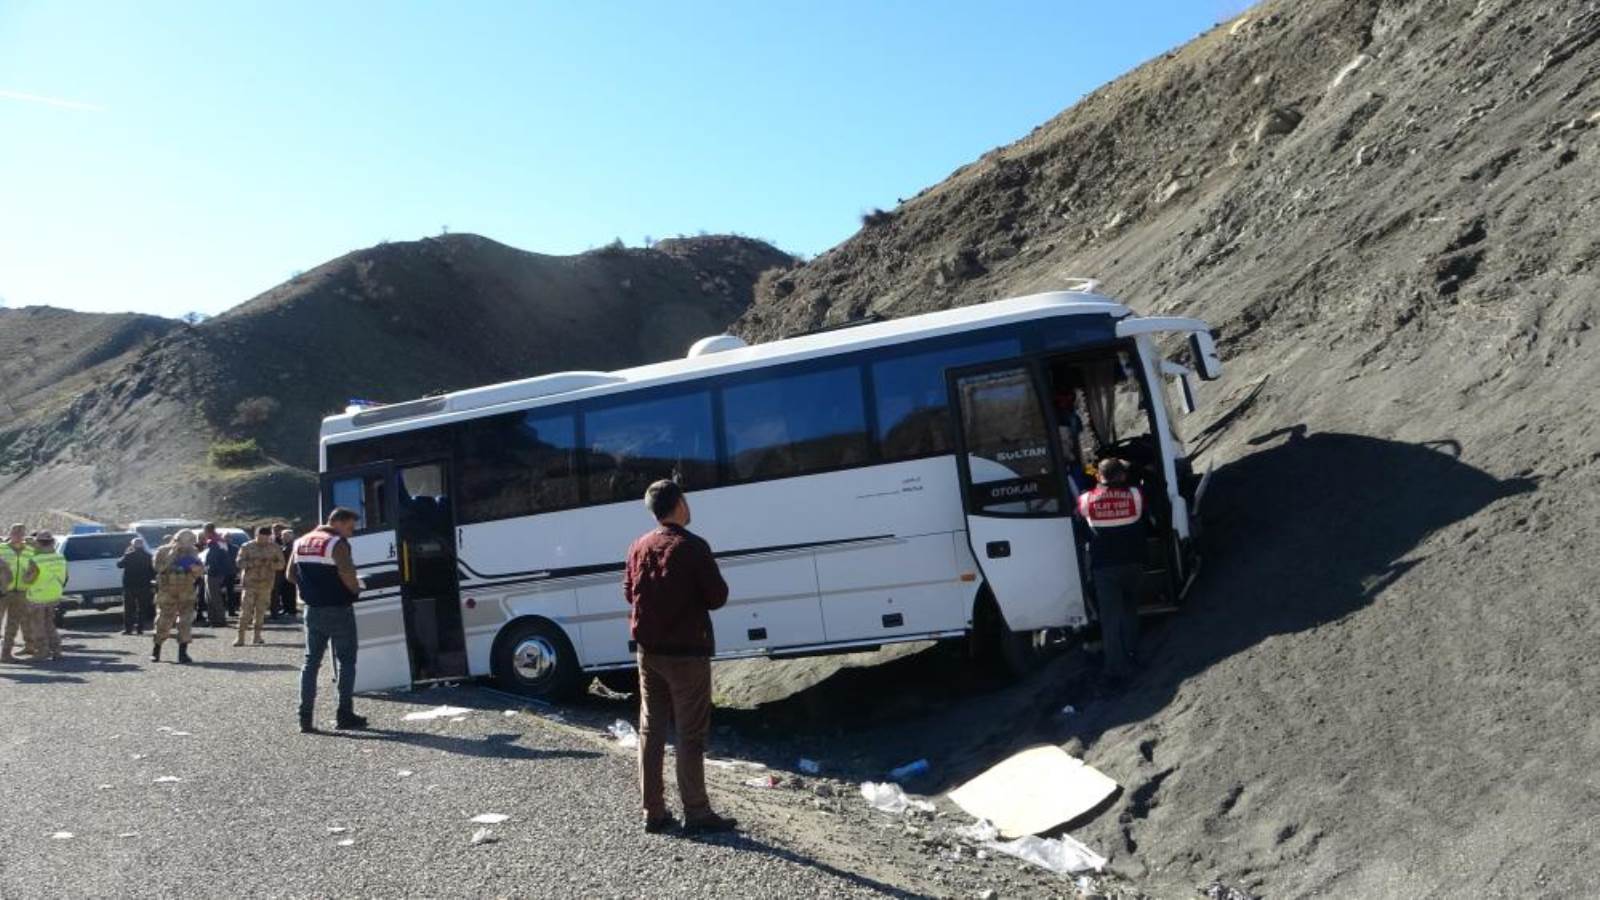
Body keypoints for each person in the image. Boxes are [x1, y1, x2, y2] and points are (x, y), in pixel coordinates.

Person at [623, 479, 737, 835]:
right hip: (687, 654)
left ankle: (652, 810)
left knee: (650, 729)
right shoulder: (694, 547)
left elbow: (629, 592)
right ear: (678, 505)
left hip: (648, 654)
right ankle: (696, 811)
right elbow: (717, 596)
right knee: (690, 734)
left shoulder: (638, 546)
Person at [288, 509, 367, 733]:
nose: (351, 533)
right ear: (338, 523)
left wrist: (310, 588)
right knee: (346, 661)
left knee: (311, 663)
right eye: (350, 527)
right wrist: (355, 591)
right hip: (339, 609)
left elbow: (290, 575)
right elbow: (347, 573)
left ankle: (305, 719)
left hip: (312, 610)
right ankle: (344, 714)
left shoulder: (300, 542)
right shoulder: (336, 543)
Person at [1075, 457, 1149, 682]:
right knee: (1129, 611)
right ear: (1123, 476)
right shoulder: (1136, 495)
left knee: (1110, 618)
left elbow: (1079, 527)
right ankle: (1133, 654)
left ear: (1099, 476)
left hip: (1104, 567)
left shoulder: (1086, 500)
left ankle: (1116, 667)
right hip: (1134, 563)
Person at [152, 530, 205, 664]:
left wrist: (194, 567)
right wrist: (173, 554)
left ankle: (183, 654)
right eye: (185, 541)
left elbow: (200, 571)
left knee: (185, 623)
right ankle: (156, 650)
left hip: (186, 592)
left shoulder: (192, 552)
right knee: (163, 622)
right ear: (177, 540)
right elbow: (158, 568)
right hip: (167, 592)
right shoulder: (163, 551)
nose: (187, 545)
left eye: (190, 542)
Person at [234, 526, 285, 647]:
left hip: (266, 584)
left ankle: (257, 636)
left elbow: (282, 564)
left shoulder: (274, 547)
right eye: (261, 538)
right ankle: (240, 637)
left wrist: (271, 564)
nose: (264, 541)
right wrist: (252, 563)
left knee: (261, 611)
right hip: (249, 584)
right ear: (256, 536)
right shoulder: (246, 546)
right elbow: (238, 563)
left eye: (266, 538)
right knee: (245, 611)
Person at [21, 531, 68, 661]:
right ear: (52, 542)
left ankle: (42, 651)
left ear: (39, 543)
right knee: (49, 624)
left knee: (38, 625)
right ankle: (57, 650)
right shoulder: (60, 557)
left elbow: (28, 579)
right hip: (54, 594)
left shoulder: (36, 560)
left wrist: (24, 576)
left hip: (38, 596)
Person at [1, 523, 36, 662]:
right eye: (15, 531)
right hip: (2, 592)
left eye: (21, 532)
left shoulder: (30, 551)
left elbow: (37, 567)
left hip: (21, 593)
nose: (18, 535)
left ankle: (6, 654)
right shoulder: (1, 548)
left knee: (13, 625)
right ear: (10, 533)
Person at [117, 537, 156, 635]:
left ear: (132, 545)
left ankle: (128, 629)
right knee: (142, 608)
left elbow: (119, 565)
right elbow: (153, 571)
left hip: (129, 585)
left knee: (129, 608)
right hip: (144, 585)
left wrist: (126, 553)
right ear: (142, 545)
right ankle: (140, 628)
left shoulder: (128, 555)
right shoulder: (148, 556)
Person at [200, 523, 235, 627]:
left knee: (214, 597)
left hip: (214, 573)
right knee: (209, 598)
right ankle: (212, 619)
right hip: (213, 572)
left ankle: (219, 620)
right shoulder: (217, 540)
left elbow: (214, 559)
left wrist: (208, 568)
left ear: (207, 531)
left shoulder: (215, 542)